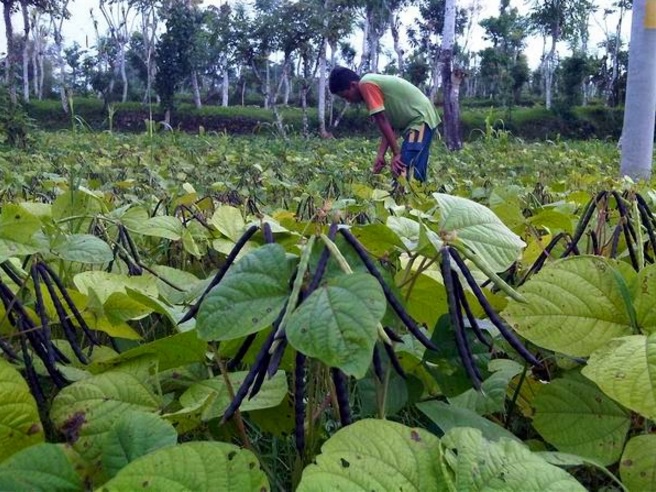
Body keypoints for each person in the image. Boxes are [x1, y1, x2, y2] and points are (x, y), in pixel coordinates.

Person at [328, 66, 440, 182]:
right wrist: (381, 155)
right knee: (414, 168)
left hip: (420, 119)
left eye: (346, 96)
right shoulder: (370, 86)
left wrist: (396, 153)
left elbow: (381, 120)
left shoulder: (366, 84)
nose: (348, 101)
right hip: (421, 118)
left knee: (405, 169)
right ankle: (416, 195)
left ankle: (407, 197)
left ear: (353, 85)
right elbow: (388, 125)